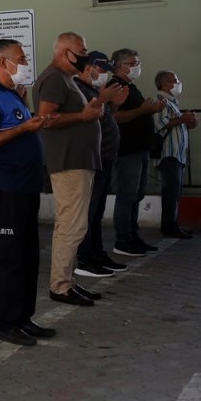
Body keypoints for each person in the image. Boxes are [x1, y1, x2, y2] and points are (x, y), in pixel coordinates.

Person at [0, 39, 56, 347]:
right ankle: (4, 321)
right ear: (2, 62)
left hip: (26, 186)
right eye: (20, 59)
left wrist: (34, 124)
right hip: (5, 189)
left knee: (28, 255)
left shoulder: (12, 95)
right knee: (9, 258)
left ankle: (23, 317)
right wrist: (23, 129)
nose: (24, 64)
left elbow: (20, 128)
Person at [32, 32, 104, 307]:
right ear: (65, 52)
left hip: (78, 161)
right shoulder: (53, 78)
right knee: (71, 225)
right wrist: (83, 116)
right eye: (82, 50)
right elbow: (45, 119)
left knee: (75, 224)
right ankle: (60, 286)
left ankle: (67, 282)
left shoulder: (67, 79)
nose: (86, 55)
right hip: (68, 162)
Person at [73, 52, 129, 278]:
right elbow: (82, 117)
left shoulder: (95, 90)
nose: (105, 75)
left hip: (105, 157)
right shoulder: (76, 89)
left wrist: (113, 105)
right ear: (89, 68)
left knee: (96, 213)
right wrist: (104, 99)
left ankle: (97, 254)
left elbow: (103, 118)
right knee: (88, 212)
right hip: (90, 159)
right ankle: (84, 258)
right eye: (102, 70)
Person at [109, 48, 164, 258]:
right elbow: (116, 117)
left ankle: (133, 236)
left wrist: (150, 108)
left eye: (137, 63)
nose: (136, 67)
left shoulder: (130, 87)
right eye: (132, 63)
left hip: (140, 148)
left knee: (137, 194)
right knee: (127, 194)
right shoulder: (115, 86)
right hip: (127, 150)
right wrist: (143, 110)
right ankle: (123, 240)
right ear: (119, 65)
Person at [152, 70, 198, 239]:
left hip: (177, 155)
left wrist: (189, 122)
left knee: (175, 192)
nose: (178, 83)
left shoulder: (172, 103)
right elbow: (160, 124)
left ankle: (173, 224)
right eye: (174, 80)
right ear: (164, 84)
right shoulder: (161, 101)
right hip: (168, 154)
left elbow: (178, 125)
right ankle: (169, 227)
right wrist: (183, 119)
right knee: (171, 192)